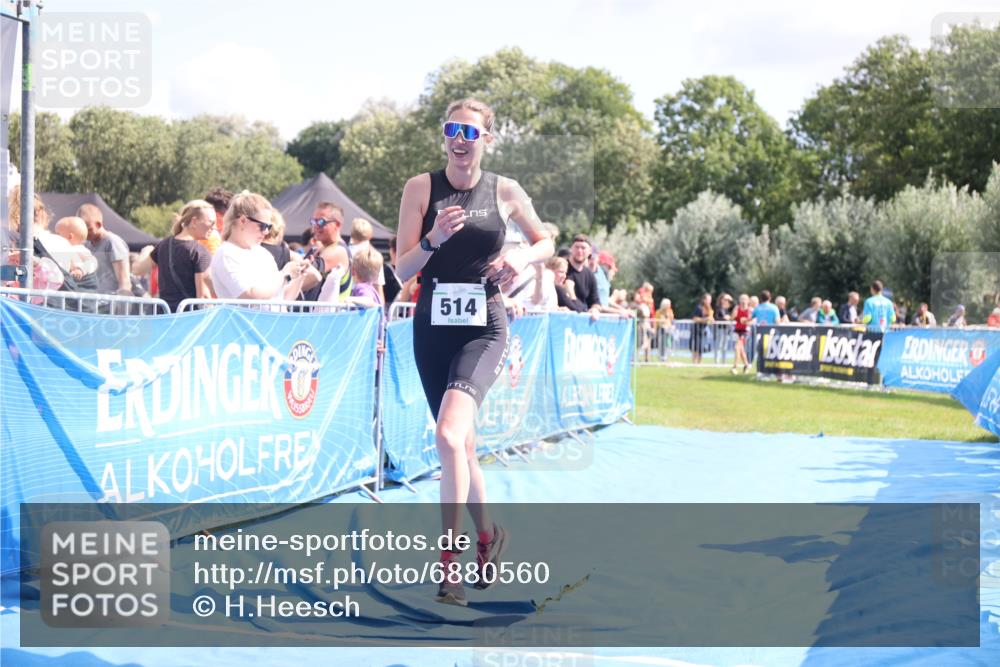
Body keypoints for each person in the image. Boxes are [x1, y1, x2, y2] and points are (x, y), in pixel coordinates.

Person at [395, 98, 553, 606]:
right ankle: (488, 535)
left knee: (447, 434)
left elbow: (546, 239)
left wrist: (520, 255)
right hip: (432, 325)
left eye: (471, 131)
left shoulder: (504, 190)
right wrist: (434, 239)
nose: (461, 139)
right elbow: (400, 270)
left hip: (483, 325)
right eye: (452, 130)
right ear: (444, 137)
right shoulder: (420, 189)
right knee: (460, 446)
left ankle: (450, 566)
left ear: (487, 137)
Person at [209, 190, 320, 305]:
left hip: (270, 321)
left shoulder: (262, 253)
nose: (266, 232)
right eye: (262, 226)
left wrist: (300, 276)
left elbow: (284, 297)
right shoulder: (226, 253)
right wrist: (285, 275)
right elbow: (250, 295)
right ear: (243, 221)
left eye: (269, 226)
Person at [136, 200, 217, 312]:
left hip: (163, 317)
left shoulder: (163, 244)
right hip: (188, 320)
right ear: (194, 221)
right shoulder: (199, 252)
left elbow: (138, 270)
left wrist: (146, 251)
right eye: (211, 222)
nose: (214, 227)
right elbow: (203, 296)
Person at [302, 202, 353, 302]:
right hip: (317, 315)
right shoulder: (322, 248)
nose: (315, 226)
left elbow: (301, 278)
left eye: (321, 222)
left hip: (329, 316)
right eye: (313, 221)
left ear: (337, 225)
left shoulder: (338, 251)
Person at [78, 203, 132, 295]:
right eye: (81, 228)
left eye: (88, 229)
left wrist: (123, 305)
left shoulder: (113, 243)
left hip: (111, 303)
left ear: (98, 224)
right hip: (94, 303)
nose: (84, 232)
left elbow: (124, 281)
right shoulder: (86, 245)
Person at [566, 234, 601, 316]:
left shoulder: (590, 275)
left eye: (583, 248)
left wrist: (594, 309)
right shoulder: (562, 270)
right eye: (576, 247)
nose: (579, 251)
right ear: (571, 248)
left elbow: (595, 301)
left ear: (590, 251)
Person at [53, 216, 98, 281]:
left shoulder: (79, 249)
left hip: (78, 282)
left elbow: (93, 261)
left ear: (70, 237)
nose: (55, 236)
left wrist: (81, 270)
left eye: (58, 234)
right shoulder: (61, 249)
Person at [731, 293, 753, 374]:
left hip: (745, 331)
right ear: (739, 300)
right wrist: (734, 313)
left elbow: (752, 321)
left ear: (748, 301)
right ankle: (746, 365)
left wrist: (746, 321)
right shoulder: (737, 308)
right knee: (741, 350)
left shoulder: (750, 310)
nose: (743, 301)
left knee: (737, 347)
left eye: (745, 299)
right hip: (737, 330)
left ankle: (735, 367)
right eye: (742, 299)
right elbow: (732, 318)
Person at [690, 293, 714, 364]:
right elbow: (695, 318)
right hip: (697, 330)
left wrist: (711, 320)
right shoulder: (699, 307)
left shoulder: (709, 309)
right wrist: (706, 319)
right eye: (708, 300)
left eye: (710, 300)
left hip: (703, 331)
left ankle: (699, 363)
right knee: (696, 348)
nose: (709, 301)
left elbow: (710, 319)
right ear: (704, 300)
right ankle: (694, 363)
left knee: (701, 348)